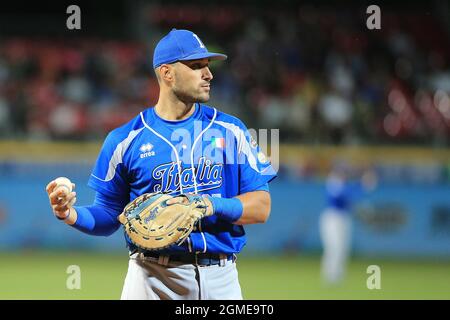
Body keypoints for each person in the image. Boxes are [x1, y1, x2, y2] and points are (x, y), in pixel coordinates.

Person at [46, 29, 277, 300]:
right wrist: (69, 214)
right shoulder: (124, 140)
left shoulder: (232, 130)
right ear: (167, 73)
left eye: (207, 66)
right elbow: (109, 215)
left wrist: (208, 205)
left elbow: (261, 207)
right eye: (196, 66)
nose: (208, 74)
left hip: (221, 279)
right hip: (150, 279)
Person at [319, 162, 377, 285]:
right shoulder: (333, 181)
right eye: (343, 171)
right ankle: (329, 276)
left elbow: (352, 195)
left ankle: (338, 276)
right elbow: (344, 196)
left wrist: (364, 184)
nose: (344, 174)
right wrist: (362, 185)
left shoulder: (345, 183)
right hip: (333, 217)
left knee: (343, 248)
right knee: (333, 247)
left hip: (344, 217)